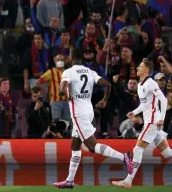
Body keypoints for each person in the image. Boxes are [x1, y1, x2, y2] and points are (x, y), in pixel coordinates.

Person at [112, 61, 172, 189]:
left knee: (137, 149)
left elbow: (163, 100)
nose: (137, 67)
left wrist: (161, 119)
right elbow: (144, 104)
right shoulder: (141, 85)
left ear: (146, 70)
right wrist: (134, 112)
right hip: (150, 122)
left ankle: (128, 180)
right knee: (167, 153)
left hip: (153, 121)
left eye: (140, 66)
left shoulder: (151, 83)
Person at [53, 51, 133, 189]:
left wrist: (65, 92)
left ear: (72, 59)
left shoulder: (68, 72)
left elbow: (61, 90)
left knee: (92, 146)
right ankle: (70, 180)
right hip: (88, 110)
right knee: (75, 146)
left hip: (79, 113)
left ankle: (123, 157)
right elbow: (107, 84)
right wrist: (104, 100)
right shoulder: (90, 72)